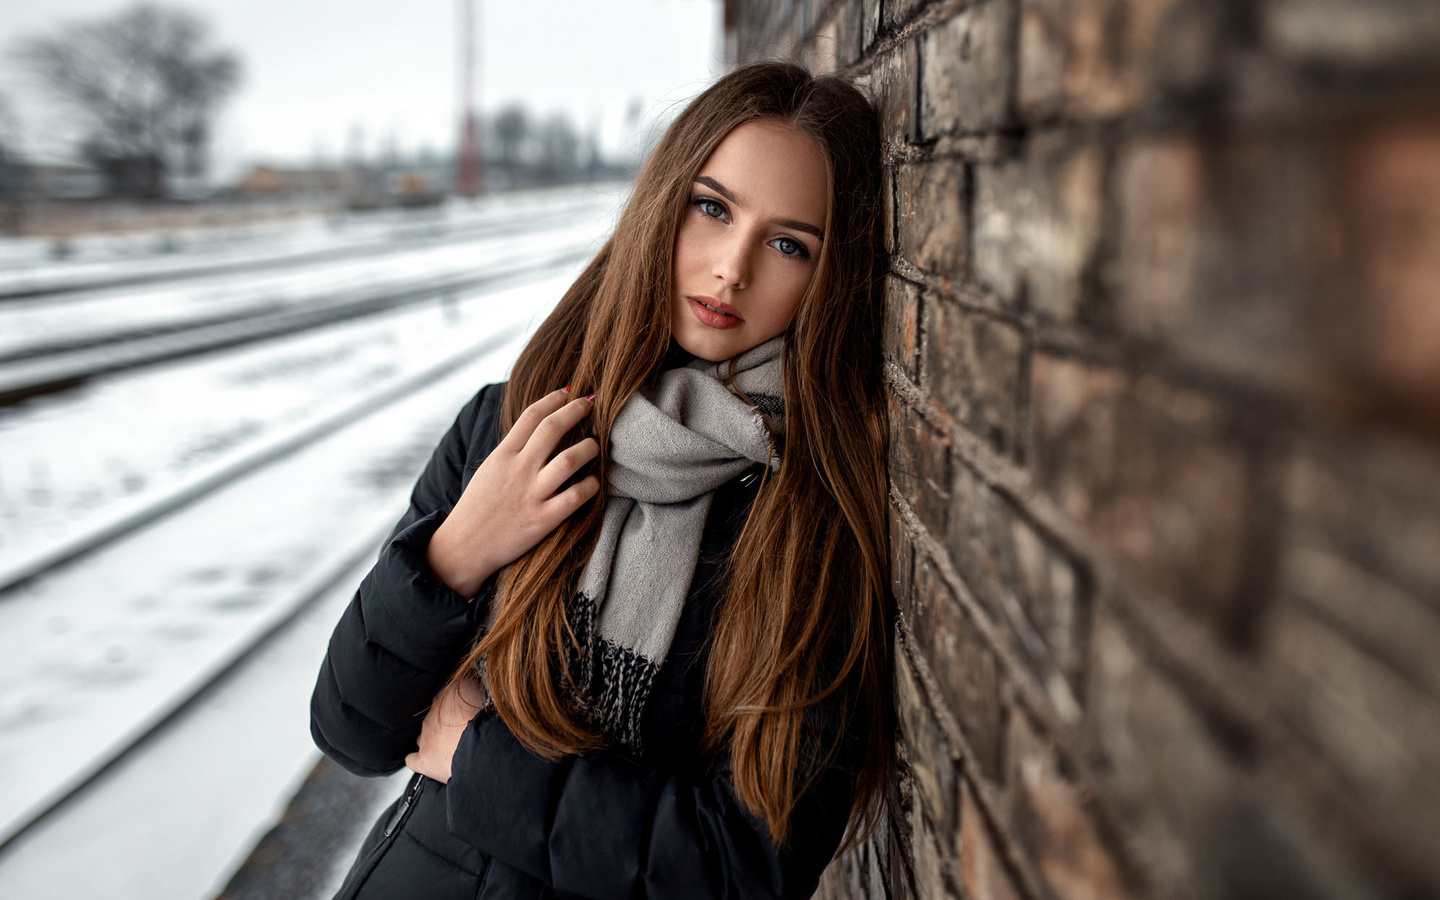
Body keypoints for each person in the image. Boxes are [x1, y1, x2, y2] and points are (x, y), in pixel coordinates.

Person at [310, 61, 892, 900]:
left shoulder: (808, 516)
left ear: (827, 279)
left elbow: (753, 863)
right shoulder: (514, 426)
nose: (732, 269)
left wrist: (481, 765)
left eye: (787, 243)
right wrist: (453, 557)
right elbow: (353, 728)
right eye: (713, 207)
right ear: (664, 204)